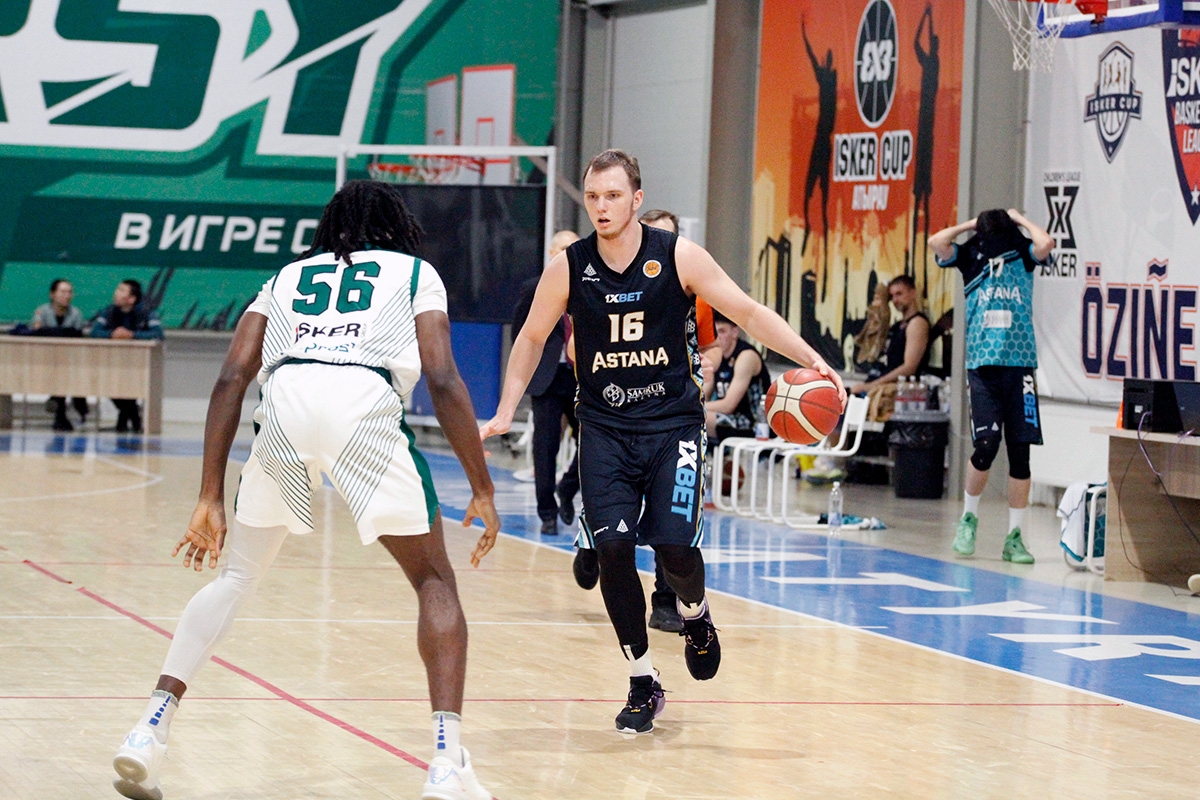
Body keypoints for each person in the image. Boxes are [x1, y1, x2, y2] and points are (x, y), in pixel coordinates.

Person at [111, 180, 501, 800]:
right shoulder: (414, 273)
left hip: (285, 404)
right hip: (362, 401)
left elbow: (232, 375)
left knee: (236, 578)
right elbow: (443, 376)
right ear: (396, 226)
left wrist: (209, 494)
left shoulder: (287, 276)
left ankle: (148, 729)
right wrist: (480, 484)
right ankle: (447, 764)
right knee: (433, 580)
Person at [480, 149, 845, 735]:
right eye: (593, 197)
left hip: (672, 427)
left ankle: (696, 614)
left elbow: (749, 312)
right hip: (604, 429)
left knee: (674, 551)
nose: (601, 207)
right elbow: (530, 338)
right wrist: (505, 409)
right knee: (613, 553)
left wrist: (813, 359)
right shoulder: (570, 267)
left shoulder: (677, 256)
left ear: (637, 199)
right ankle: (642, 680)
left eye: (613, 196)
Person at [930, 208, 1053, 565]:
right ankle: (968, 519)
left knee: (1020, 453)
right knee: (986, 445)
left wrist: (1019, 220)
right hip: (982, 366)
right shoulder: (970, 254)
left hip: (1020, 365)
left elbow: (1046, 243)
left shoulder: (1023, 253)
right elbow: (937, 241)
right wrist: (971, 224)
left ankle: (1015, 538)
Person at [512, 229, 581, 534]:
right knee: (545, 446)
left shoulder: (590, 284)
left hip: (581, 376)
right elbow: (522, 335)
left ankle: (567, 487)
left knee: (594, 440)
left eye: (573, 248)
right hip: (548, 377)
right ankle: (547, 513)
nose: (568, 253)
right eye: (563, 248)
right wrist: (524, 373)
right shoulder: (534, 288)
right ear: (552, 253)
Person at [90, 279, 164, 433]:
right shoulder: (109, 311)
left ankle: (126, 417)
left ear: (132, 299)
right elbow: (95, 332)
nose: (116, 293)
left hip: (138, 365)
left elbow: (158, 334)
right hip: (112, 362)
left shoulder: (146, 312)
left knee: (132, 383)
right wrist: (112, 334)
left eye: (121, 290)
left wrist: (132, 335)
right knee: (108, 382)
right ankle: (132, 414)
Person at [849, 275, 931, 395]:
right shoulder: (897, 325)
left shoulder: (917, 323)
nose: (895, 300)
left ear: (913, 293)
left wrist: (870, 386)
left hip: (896, 391)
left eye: (899, 294)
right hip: (878, 382)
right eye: (892, 296)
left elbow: (909, 367)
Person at [705, 310, 773, 443]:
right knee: (688, 416)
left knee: (697, 417)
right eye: (714, 332)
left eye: (722, 331)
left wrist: (691, 407)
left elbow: (728, 405)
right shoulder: (716, 356)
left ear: (735, 332)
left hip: (755, 424)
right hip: (729, 418)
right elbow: (702, 395)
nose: (717, 337)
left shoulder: (746, 356)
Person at [31, 278, 89, 430]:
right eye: (63, 292)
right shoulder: (42, 311)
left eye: (70, 292)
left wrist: (52, 332)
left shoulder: (76, 313)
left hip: (70, 360)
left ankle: (59, 408)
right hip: (45, 359)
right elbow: (37, 333)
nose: (67, 296)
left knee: (64, 371)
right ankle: (62, 411)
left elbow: (76, 336)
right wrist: (60, 332)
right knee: (59, 371)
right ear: (53, 294)